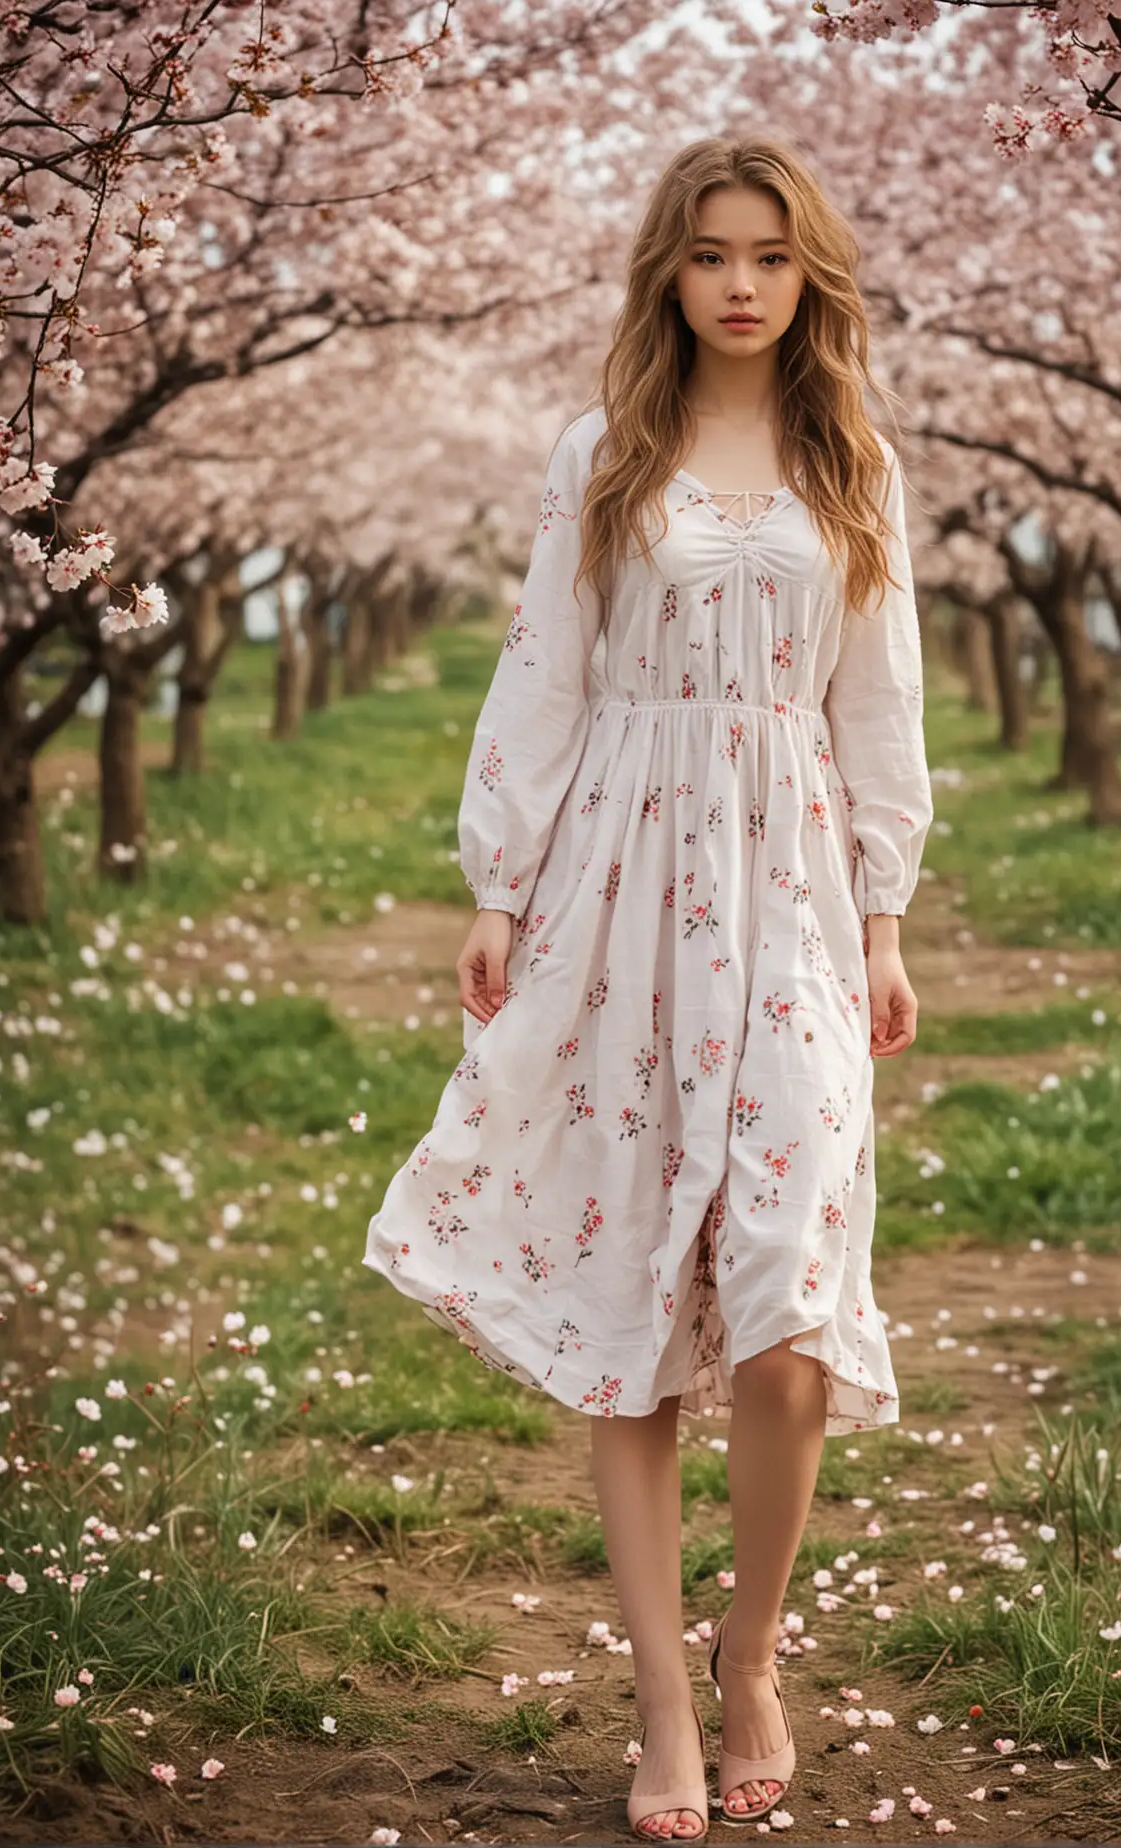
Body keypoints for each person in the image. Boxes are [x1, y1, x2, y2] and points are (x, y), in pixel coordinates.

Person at [362, 134, 932, 1842]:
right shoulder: (604, 453)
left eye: (769, 254)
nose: (741, 282)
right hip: (617, 891)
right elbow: (544, 667)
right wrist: (496, 881)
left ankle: (750, 1645)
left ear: (807, 272)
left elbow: (881, 704)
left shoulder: (857, 462)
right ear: (668, 274)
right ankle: (667, 1708)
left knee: (787, 1295)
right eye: (709, 254)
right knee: (632, 1305)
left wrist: (886, 917)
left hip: (795, 899)